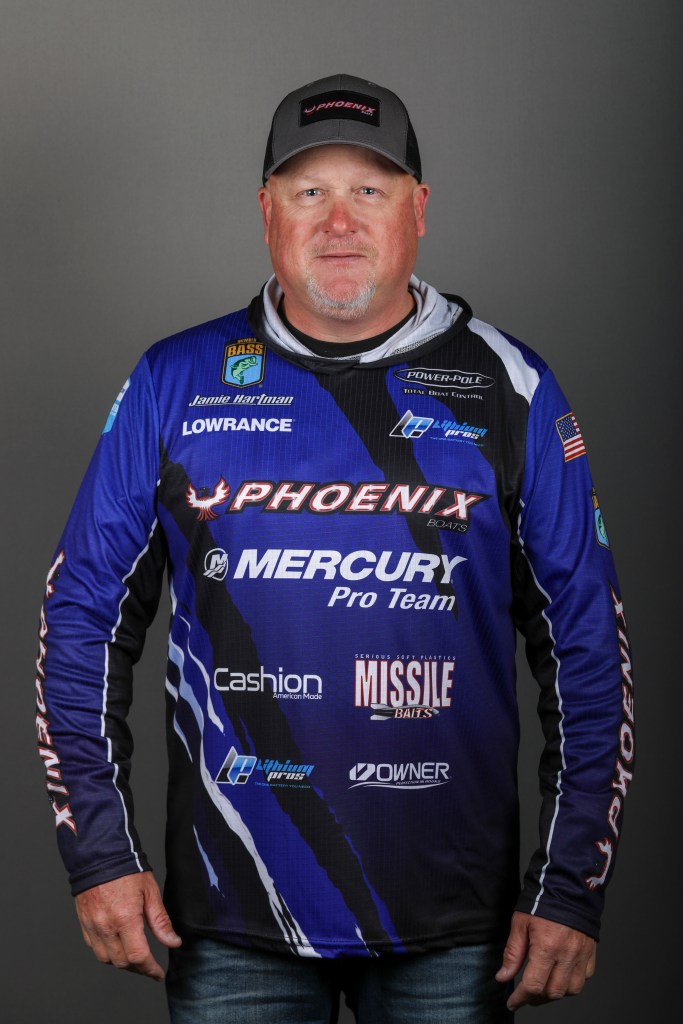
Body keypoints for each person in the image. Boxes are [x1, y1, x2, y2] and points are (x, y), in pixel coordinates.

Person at [36, 73, 634, 1023]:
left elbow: (586, 648)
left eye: (369, 189)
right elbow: (81, 623)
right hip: (229, 920)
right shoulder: (174, 380)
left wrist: (570, 885)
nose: (339, 221)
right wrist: (100, 854)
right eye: (309, 190)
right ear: (266, 211)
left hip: (453, 928)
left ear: (418, 209)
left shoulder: (509, 385)